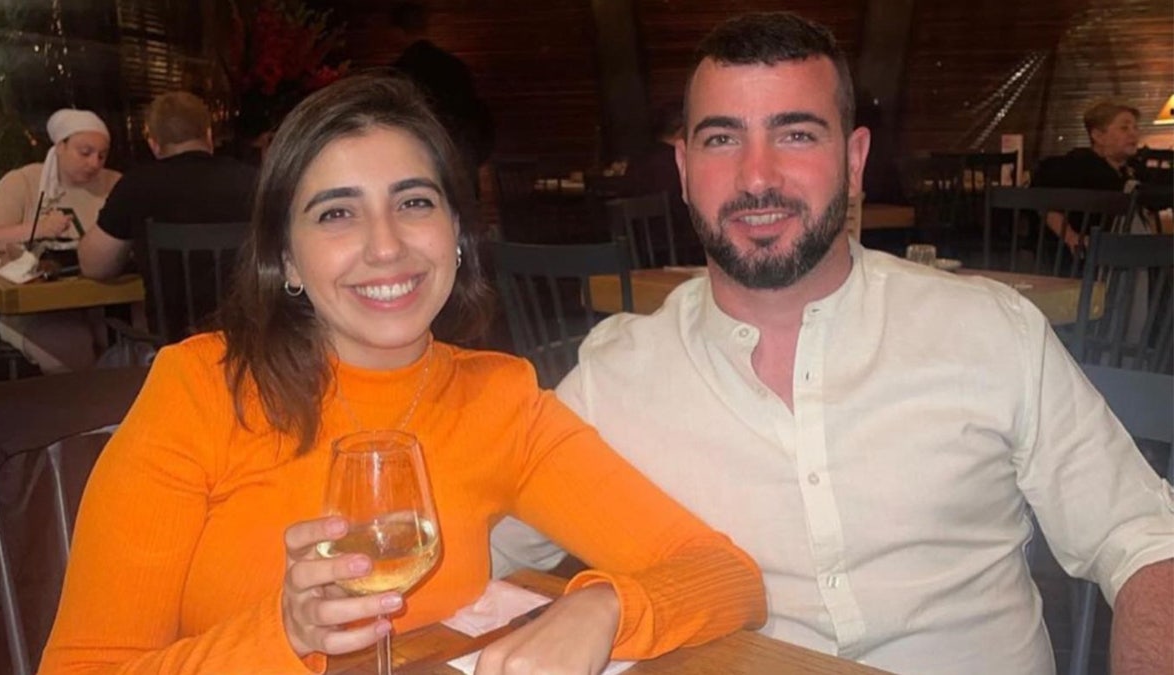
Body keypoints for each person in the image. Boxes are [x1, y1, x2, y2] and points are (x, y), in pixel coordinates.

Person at [492, 12, 1174, 675]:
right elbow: (472, 550)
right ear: (683, 165)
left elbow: (1143, 538)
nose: (757, 176)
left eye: (795, 134)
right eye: (723, 138)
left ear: (854, 159)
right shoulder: (612, 381)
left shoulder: (991, 330)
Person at [38, 73, 765, 674]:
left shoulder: (496, 396)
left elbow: (725, 574)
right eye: (335, 214)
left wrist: (602, 608)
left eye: (414, 203)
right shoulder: (200, 389)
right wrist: (282, 634)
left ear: (455, 234)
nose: (386, 247)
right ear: (286, 259)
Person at [77, 91, 258, 343]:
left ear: (154, 143)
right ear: (208, 134)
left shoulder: (137, 186)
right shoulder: (254, 181)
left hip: (174, 351)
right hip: (254, 346)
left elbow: (94, 266)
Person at [0, 108, 120, 372]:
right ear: (60, 146)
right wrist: (39, 228)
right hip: (35, 312)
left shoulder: (114, 184)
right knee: (73, 347)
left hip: (104, 305)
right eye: (84, 153)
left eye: (102, 155)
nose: (94, 163)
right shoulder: (24, 182)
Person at [389, 1, 494, 191]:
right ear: (426, 26)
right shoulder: (454, 66)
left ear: (397, 32)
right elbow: (476, 114)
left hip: (421, 160)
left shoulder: (398, 74)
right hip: (461, 157)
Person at [1031, 101, 1143, 249]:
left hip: (1121, 250)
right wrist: (1071, 238)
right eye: (1124, 128)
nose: (1133, 133)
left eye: (1135, 127)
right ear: (1098, 136)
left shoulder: (1133, 169)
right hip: (1079, 258)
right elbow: (1044, 201)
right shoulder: (1074, 165)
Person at [622, 101, 702, 265]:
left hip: (637, 253)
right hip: (681, 252)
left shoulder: (637, 161)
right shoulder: (681, 163)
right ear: (682, 131)